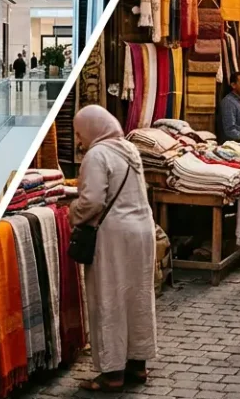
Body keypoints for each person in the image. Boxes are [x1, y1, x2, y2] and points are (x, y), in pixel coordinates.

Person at [70, 105, 158, 392]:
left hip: (114, 236)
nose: (80, 141)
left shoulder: (97, 155)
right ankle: (137, 365)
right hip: (142, 229)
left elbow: (93, 200)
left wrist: (72, 212)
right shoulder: (129, 149)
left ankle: (112, 373)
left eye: (80, 134)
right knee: (138, 296)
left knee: (109, 298)